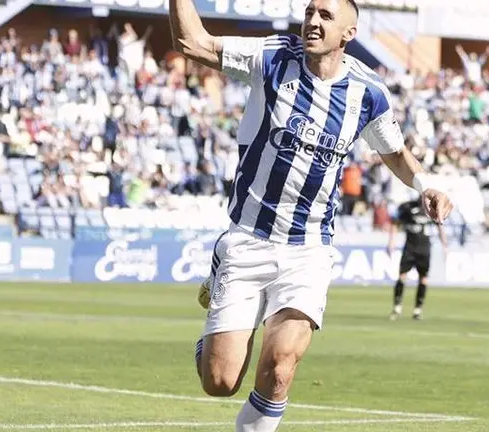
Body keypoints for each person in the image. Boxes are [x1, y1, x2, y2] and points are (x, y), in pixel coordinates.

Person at [170, 0, 454, 431]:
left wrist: (425, 185)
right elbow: (193, 43)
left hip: (309, 249)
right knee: (220, 381)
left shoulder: (368, 92)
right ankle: (216, 320)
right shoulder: (271, 58)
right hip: (248, 237)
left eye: (325, 16)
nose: (313, 21)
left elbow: (393, 152)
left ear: (349, 34)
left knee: (280, 368)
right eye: (309, 12)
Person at [387, 198, 447, 321]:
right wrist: (392, 241)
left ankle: (417, 310)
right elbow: (395, 222)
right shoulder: (407, 207)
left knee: (423, 279)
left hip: (424, 249)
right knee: (402, 276)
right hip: (409, 247)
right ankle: (397, 308)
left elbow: (440, 226)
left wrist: (444, 245)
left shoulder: (432, 209)